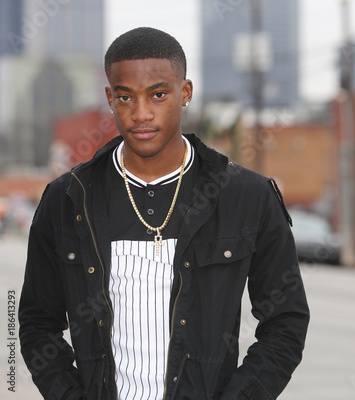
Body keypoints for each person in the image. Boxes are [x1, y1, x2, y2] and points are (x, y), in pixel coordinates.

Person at [19, 27, 309, 400]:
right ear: (110, 98)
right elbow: (36, 324)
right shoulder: (68, 200)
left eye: (158, 94)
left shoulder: (246, 196)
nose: (141, 114)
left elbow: (285, 321)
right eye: (125, 97)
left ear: (184, 93)